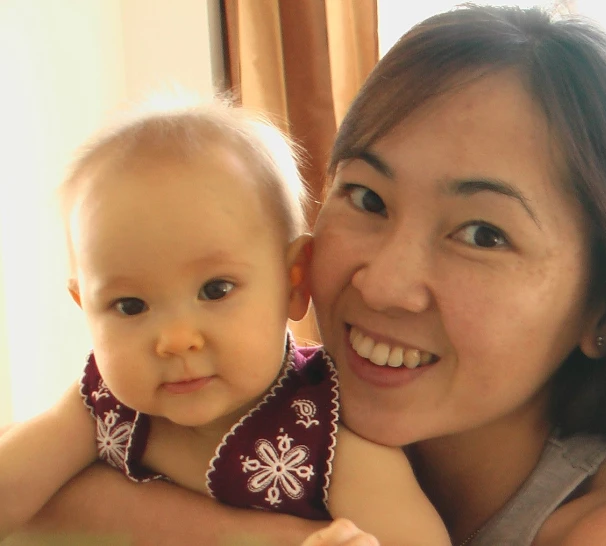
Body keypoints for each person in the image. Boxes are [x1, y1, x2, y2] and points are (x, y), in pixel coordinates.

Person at [6, 4, 606, 545]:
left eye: (482, 234)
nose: (383, 283)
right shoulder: (237, 410)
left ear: (605, 310)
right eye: (365, 197)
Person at [0, 103, 450, 546]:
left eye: (215, 290)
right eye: (130, 306)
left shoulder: (329, 437)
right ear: (85, 307)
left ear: (293, 283)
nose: (176, 340)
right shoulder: (99, 405)